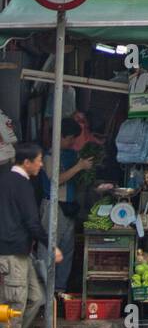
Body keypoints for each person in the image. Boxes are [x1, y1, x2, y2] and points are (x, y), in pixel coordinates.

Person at [0, 143, 61, 328]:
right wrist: (51, 245)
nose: (41, 164)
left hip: (20, 253)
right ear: (27, 163)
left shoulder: (6, 180)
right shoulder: (21, 185)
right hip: (11, 254)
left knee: (36, 298)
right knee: (14, 305)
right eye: (38, 160)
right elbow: (32, 222)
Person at [37, 119, 94, 293]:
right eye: (70, 138)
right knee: (48, 250)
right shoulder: (48, 156)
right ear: (60, 136)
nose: (73, 142)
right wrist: (79, 167)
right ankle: (44, 292)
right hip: (53, 206)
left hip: (69, 208)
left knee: (67, 250)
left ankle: (59, 290)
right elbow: (56, 180)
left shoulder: (70, 154)